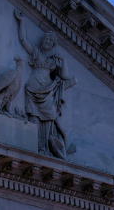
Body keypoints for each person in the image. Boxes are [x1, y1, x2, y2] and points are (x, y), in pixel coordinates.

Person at [14, 9, 77, 158]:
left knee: (49, 117)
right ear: (42, 41)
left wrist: (64, 60)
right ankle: (37, 145)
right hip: (33, 87)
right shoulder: (36, 52)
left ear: (53, 44)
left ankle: (46, 147)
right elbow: (23, 40)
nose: (47, 42)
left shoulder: (54, 60)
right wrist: (22, 21)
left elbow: (65, 76)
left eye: (50, 41)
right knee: (34, 116)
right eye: (46, 40)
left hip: (48, 90)